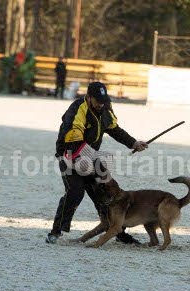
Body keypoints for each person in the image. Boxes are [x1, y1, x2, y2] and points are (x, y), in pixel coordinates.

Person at [46, 82, 148, 244]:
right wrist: (85, 160)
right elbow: (73, 135)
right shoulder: (78, 109)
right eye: (98, 100)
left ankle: (117, 231)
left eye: (103, 100)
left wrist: (133, 143)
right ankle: (55, 232)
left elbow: (115, 129)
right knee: (75, 192)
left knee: (108, 194)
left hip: (90, 156)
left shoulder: (106, 108)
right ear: (89, 97)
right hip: (69, 154)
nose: (101, 103)